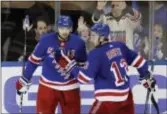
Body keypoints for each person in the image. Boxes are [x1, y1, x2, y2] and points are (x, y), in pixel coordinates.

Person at [54, 23, 156, 114]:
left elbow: (84, 78)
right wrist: (145, 76)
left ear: (102, 38)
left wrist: (69, 64)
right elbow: (141, 62)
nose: (91, 38)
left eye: (94, 35)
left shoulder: (96, 53)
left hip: (107, 100)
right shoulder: (119, 46)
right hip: (126, 98)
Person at [15, 15, 87, 114]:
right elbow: (33, 62)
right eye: (62, 28)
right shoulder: (46, 40)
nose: (65, 31)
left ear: (71, 28)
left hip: (70, 88)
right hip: (47, 87)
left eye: (67, 28)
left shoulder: (79, 43)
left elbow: (83, 66)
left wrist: (72, 66)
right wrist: (24, 79)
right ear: (57, 27)